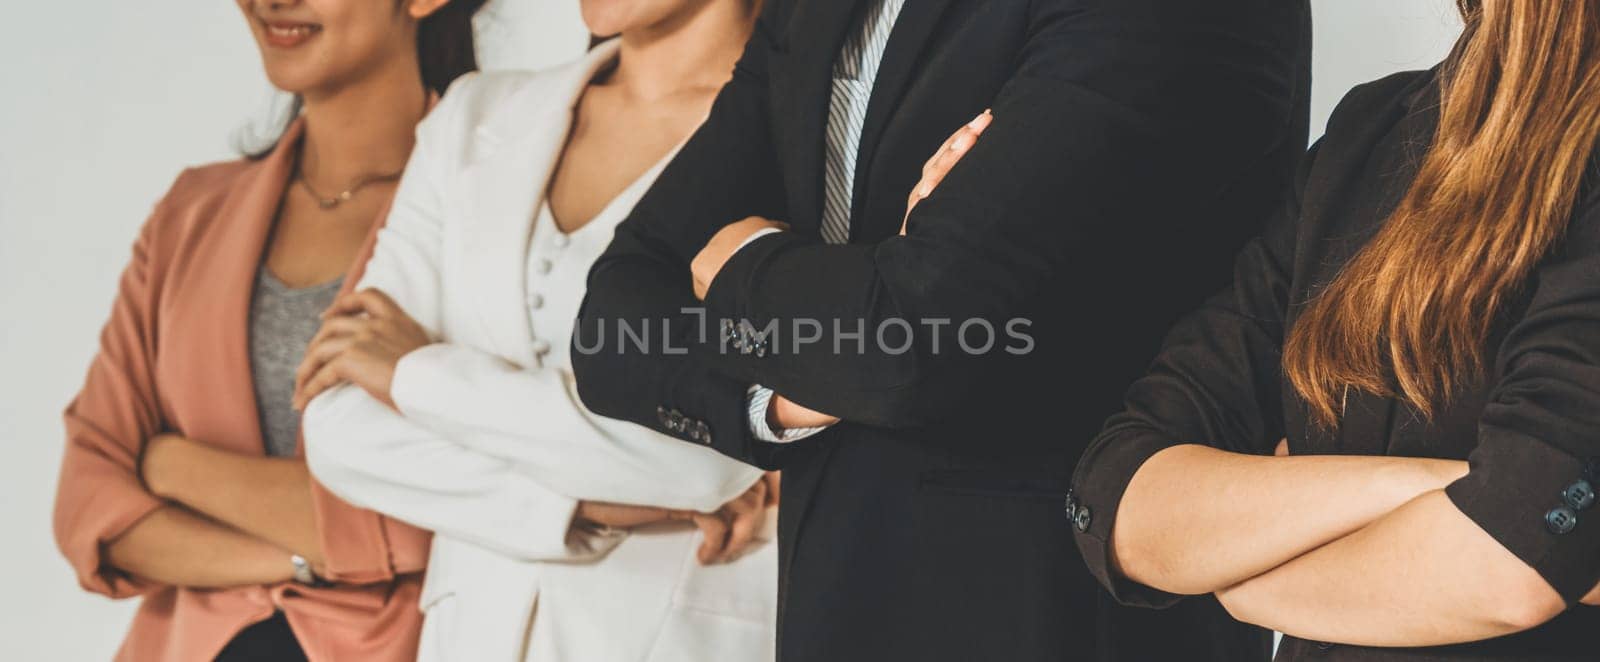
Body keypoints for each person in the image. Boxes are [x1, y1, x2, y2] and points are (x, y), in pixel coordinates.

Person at [570, 0, 1312, 660]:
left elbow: (916, 342)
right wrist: (798, 396)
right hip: (830, 596)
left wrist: (749, 263)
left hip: (1055, 610)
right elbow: (612, 324)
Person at [1061, 0, 1600, 659]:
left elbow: (1513, 568)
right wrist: (1430, 487)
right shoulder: (1369, 138)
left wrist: (1256, 572)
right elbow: (1121, 498)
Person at [292, 2, 779, 661]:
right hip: (471, 636)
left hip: (680, 634)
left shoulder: (795, 139)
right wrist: (589, 510)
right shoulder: (475, 114)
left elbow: (708, 457)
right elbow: (339, 423)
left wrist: (414, 375)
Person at [50, 0, 486, 659]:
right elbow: (91, 505)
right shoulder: (192, 213)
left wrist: (174, 466)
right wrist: (305, 556)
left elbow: (465, 509)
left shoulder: (493, 217)